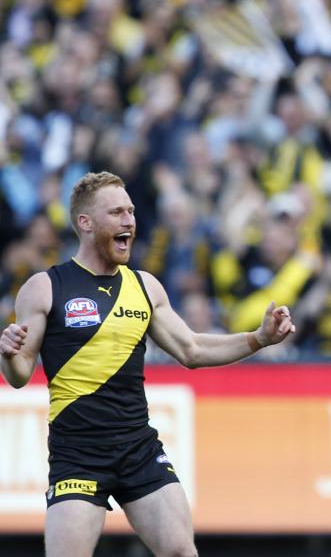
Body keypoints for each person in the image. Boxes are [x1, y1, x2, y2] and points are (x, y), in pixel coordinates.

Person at [0, 172, 295, 557]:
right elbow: (20, 375)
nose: (129, 221)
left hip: (138, 447)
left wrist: (259, 339)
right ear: (85, 223)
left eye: (131, 211)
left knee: (181, 552)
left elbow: (192, 349)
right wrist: (8, 353)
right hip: (78, 453)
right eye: (117, 213)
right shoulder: (46, 286)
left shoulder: (144, 286)